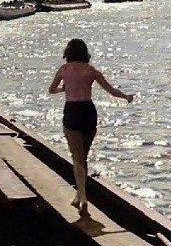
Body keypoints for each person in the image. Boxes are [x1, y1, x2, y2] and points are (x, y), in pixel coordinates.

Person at [49, 38, 133, 217]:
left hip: (72, 110)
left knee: (77, 158)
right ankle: (79, 194)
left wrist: (65, 89)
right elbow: (111, 91)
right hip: (88, 111)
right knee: (83, 157)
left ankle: (83, 197)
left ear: (68, 53)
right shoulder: (91, 71)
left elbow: (51, 90)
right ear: (85, 53)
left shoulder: (64, 70)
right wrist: (126, 96)